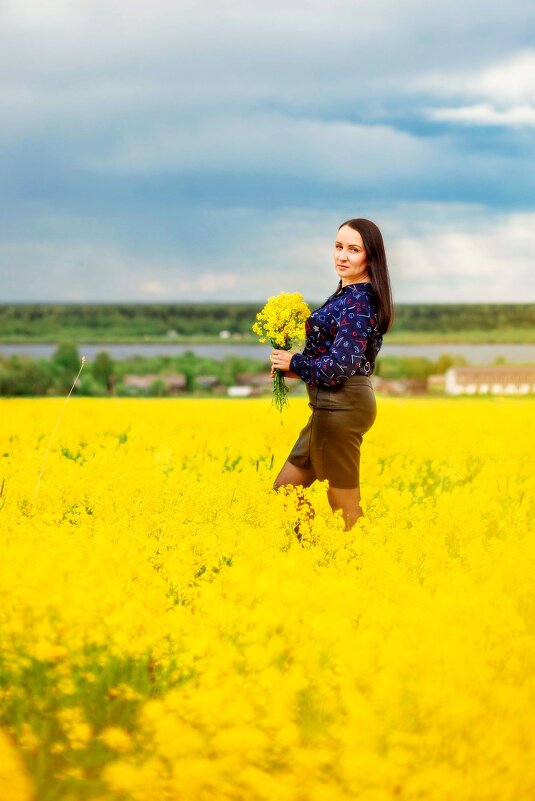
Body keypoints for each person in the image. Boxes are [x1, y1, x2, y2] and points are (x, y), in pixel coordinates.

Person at [270, 218, 393, 533]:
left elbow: (339, 368)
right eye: (338, 247)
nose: (342, 256)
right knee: (285, 490)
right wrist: (294, 367)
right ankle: (315, 561)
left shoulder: (358, 301)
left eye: (354, 249)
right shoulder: (346, 294)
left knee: (345, 510)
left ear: (371, 257)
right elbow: (336, 359)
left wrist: (296, 362)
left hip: (341, 406)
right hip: (328, 406)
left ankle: (358, 569)